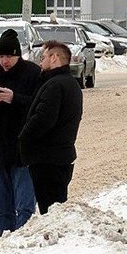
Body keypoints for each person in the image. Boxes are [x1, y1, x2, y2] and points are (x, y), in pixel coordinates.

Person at [0, 28, 42, 233]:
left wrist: (14, 98)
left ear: (18, 55)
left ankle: (21, 242)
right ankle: (4, 240)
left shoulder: (32, 72)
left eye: (9, 56)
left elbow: (40, 105)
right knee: (3, 207)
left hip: (23, 147)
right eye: (1, 56)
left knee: (25, 206)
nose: (5, 61)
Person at [19, 40, 84, 214]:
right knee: (55, 208)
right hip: (59, 156)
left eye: (43, 57)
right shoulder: (70, 83)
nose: (40, 61)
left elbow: (43, 119)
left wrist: (24, 138)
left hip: (48, 159)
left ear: (54, 58)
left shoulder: (55, 85)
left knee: (50, 210)